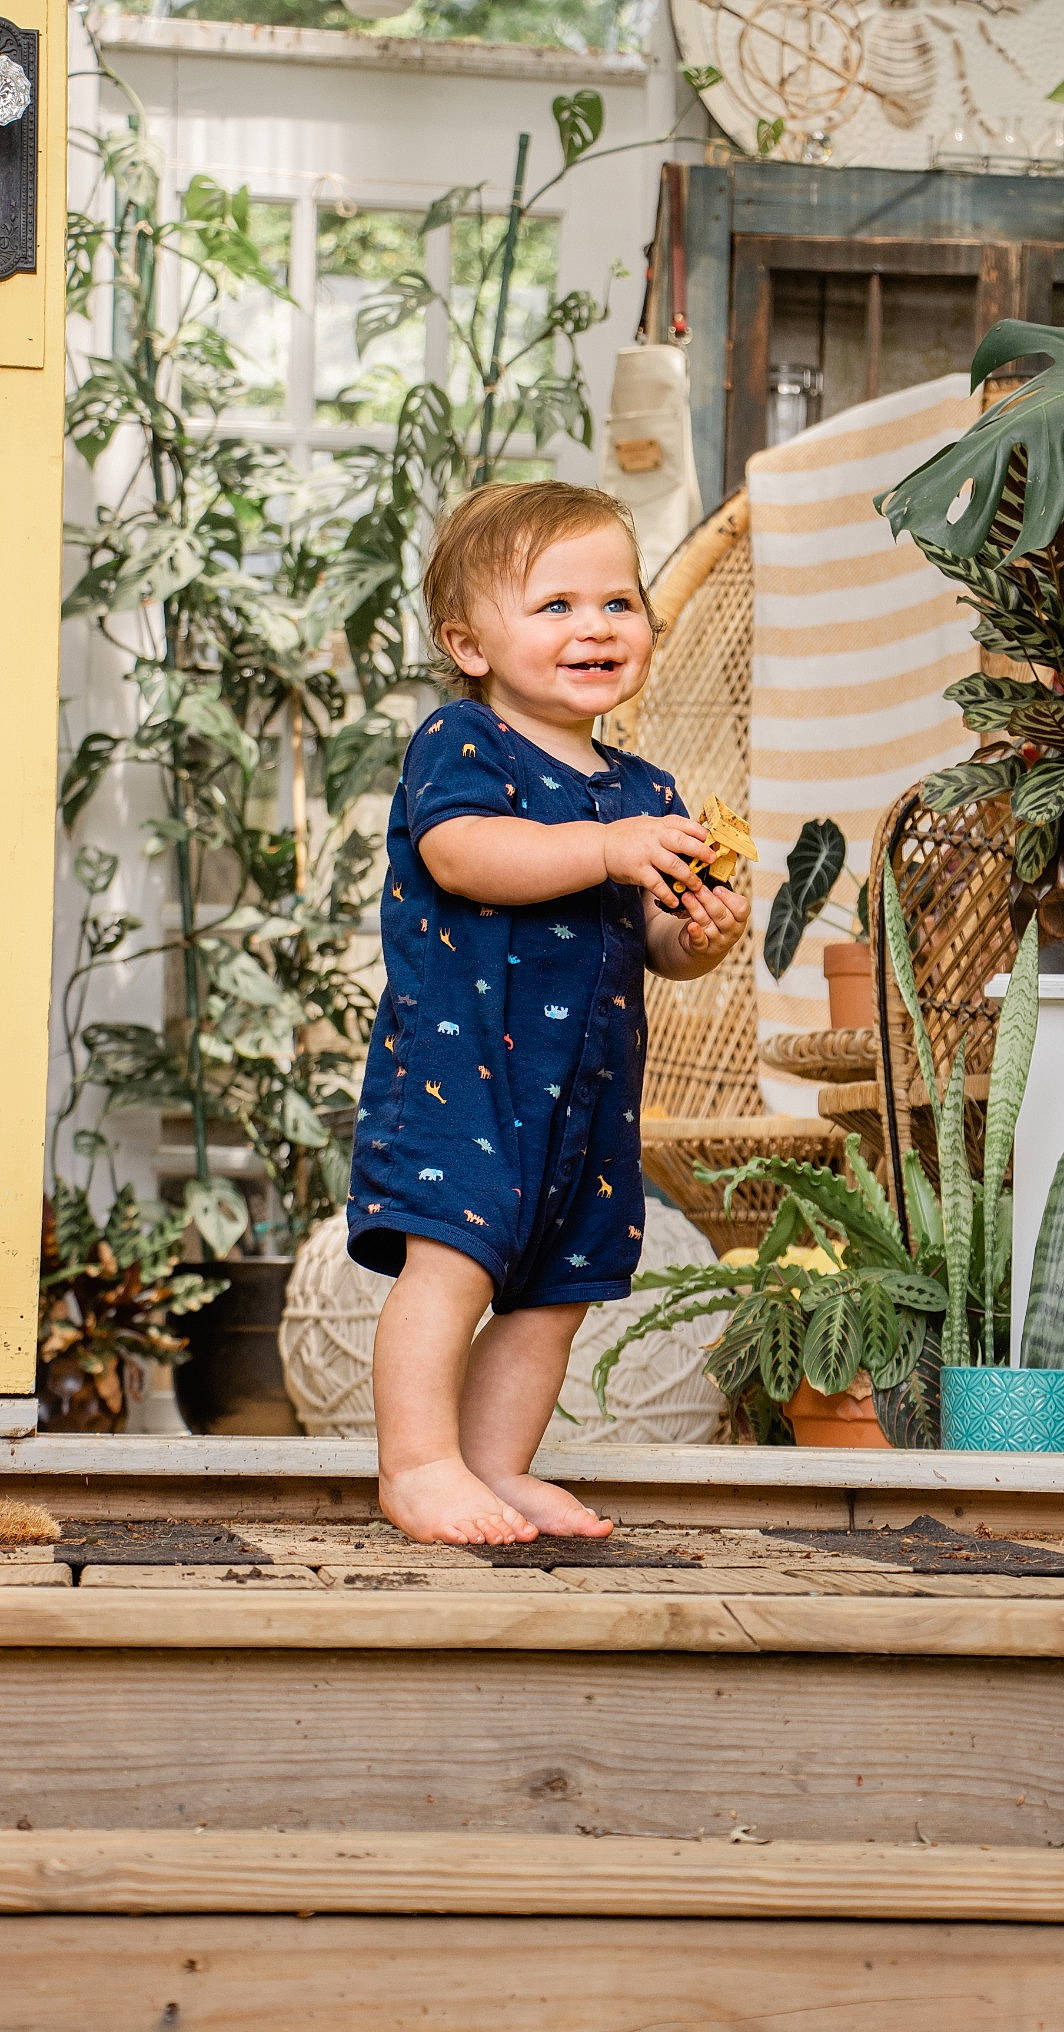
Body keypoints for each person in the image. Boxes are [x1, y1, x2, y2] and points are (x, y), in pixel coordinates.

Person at [347, 481, 750, 1546]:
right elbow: (462, 852)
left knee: (552, 1291)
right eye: (557, 604)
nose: (597, 626)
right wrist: (611, 850)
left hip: (581, 1097)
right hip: (461, 1074)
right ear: (469, 641)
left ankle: (493, 1466)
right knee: (456, 1265)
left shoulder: (646, 790)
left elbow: (651, 940)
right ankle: (419, 1462)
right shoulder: (466, 741)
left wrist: (697, 936)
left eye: (619, 602)